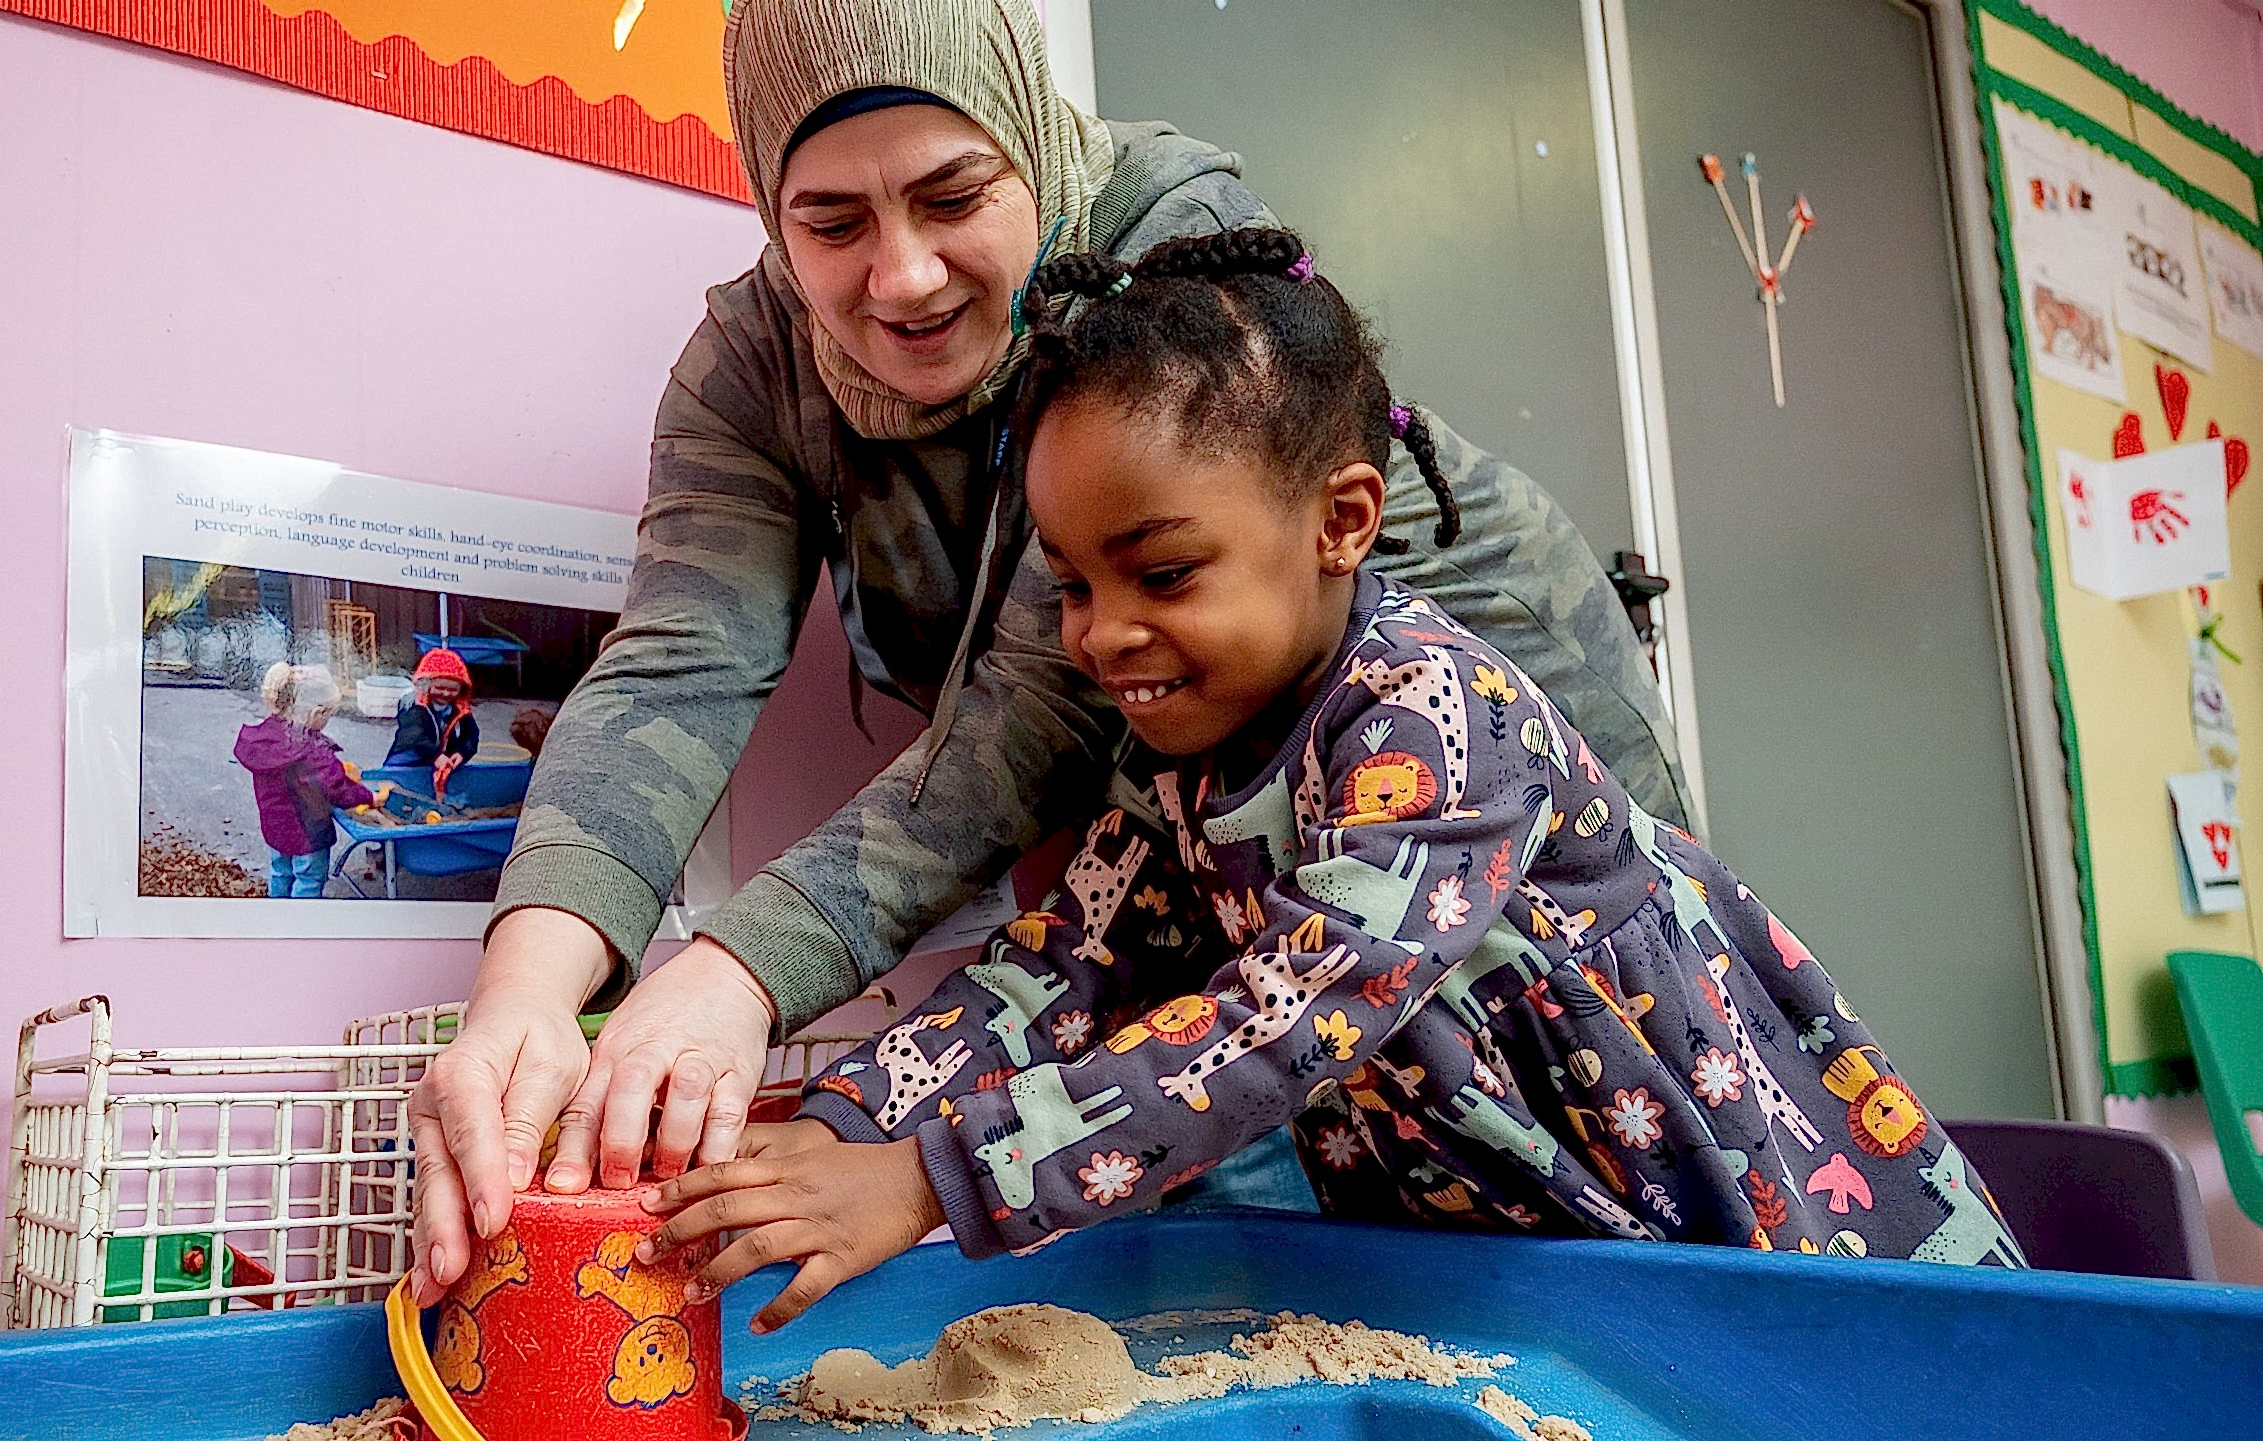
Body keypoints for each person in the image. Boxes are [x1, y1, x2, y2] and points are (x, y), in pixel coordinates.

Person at [406, 0, 1691, 1306]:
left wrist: (845, 1089)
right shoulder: (1155, 773)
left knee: (1551, 1158)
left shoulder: (1187, 271)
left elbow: (1057, 721)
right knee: (1302, 1181)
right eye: (832, 224)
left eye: (954, 197)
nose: (900, 277)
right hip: (1215, 824)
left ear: (1030, 143)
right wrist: (539, 997)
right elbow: (686, 667)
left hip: (1512, 910)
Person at [633, 230, 2022, 1334]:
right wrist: (845, 1121)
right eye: (1069, 584)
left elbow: (1292, 1015)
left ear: (1341, 523)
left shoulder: (1434, 721)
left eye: (1163, 573)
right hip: (1508, 1269)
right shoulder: (1190, 758)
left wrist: (931, 1176)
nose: (1106, 632)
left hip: (1723, 1229)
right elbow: (1055, 969)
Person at [236, 662, 373, 899]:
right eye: (327, 715)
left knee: (281, 872)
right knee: (309, 878)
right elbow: (336, 788)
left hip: (275, 826)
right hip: (309, 830)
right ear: (316, 713)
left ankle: (277, 915)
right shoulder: (311, 750)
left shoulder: (267, 739)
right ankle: (302, 925)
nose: (326, 721)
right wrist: (370, 796)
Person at [387, 647, 480, 798]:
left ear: (461, 690)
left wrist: (462, 753)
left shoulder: (460, 709)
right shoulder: (413, 706)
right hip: (409, 756)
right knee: (396, 787)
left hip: (441, 759)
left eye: (453, 690)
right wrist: (436, 755)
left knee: (441, 790)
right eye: (439, 688)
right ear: (425, 685)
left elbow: (471, 735)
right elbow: (415, 735)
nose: (446, 693)